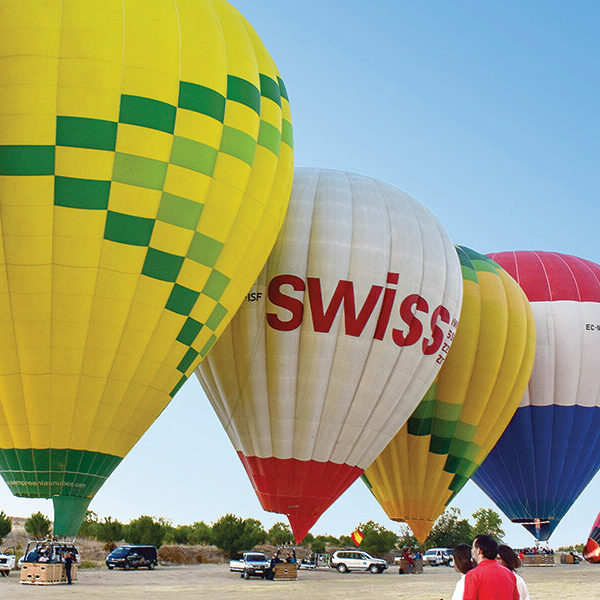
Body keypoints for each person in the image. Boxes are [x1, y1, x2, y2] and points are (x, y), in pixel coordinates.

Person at [463, 534, 518, 600]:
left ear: (479, 551)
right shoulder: (509, 574)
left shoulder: (473, 575)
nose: (471, 551)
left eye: (473, 548)